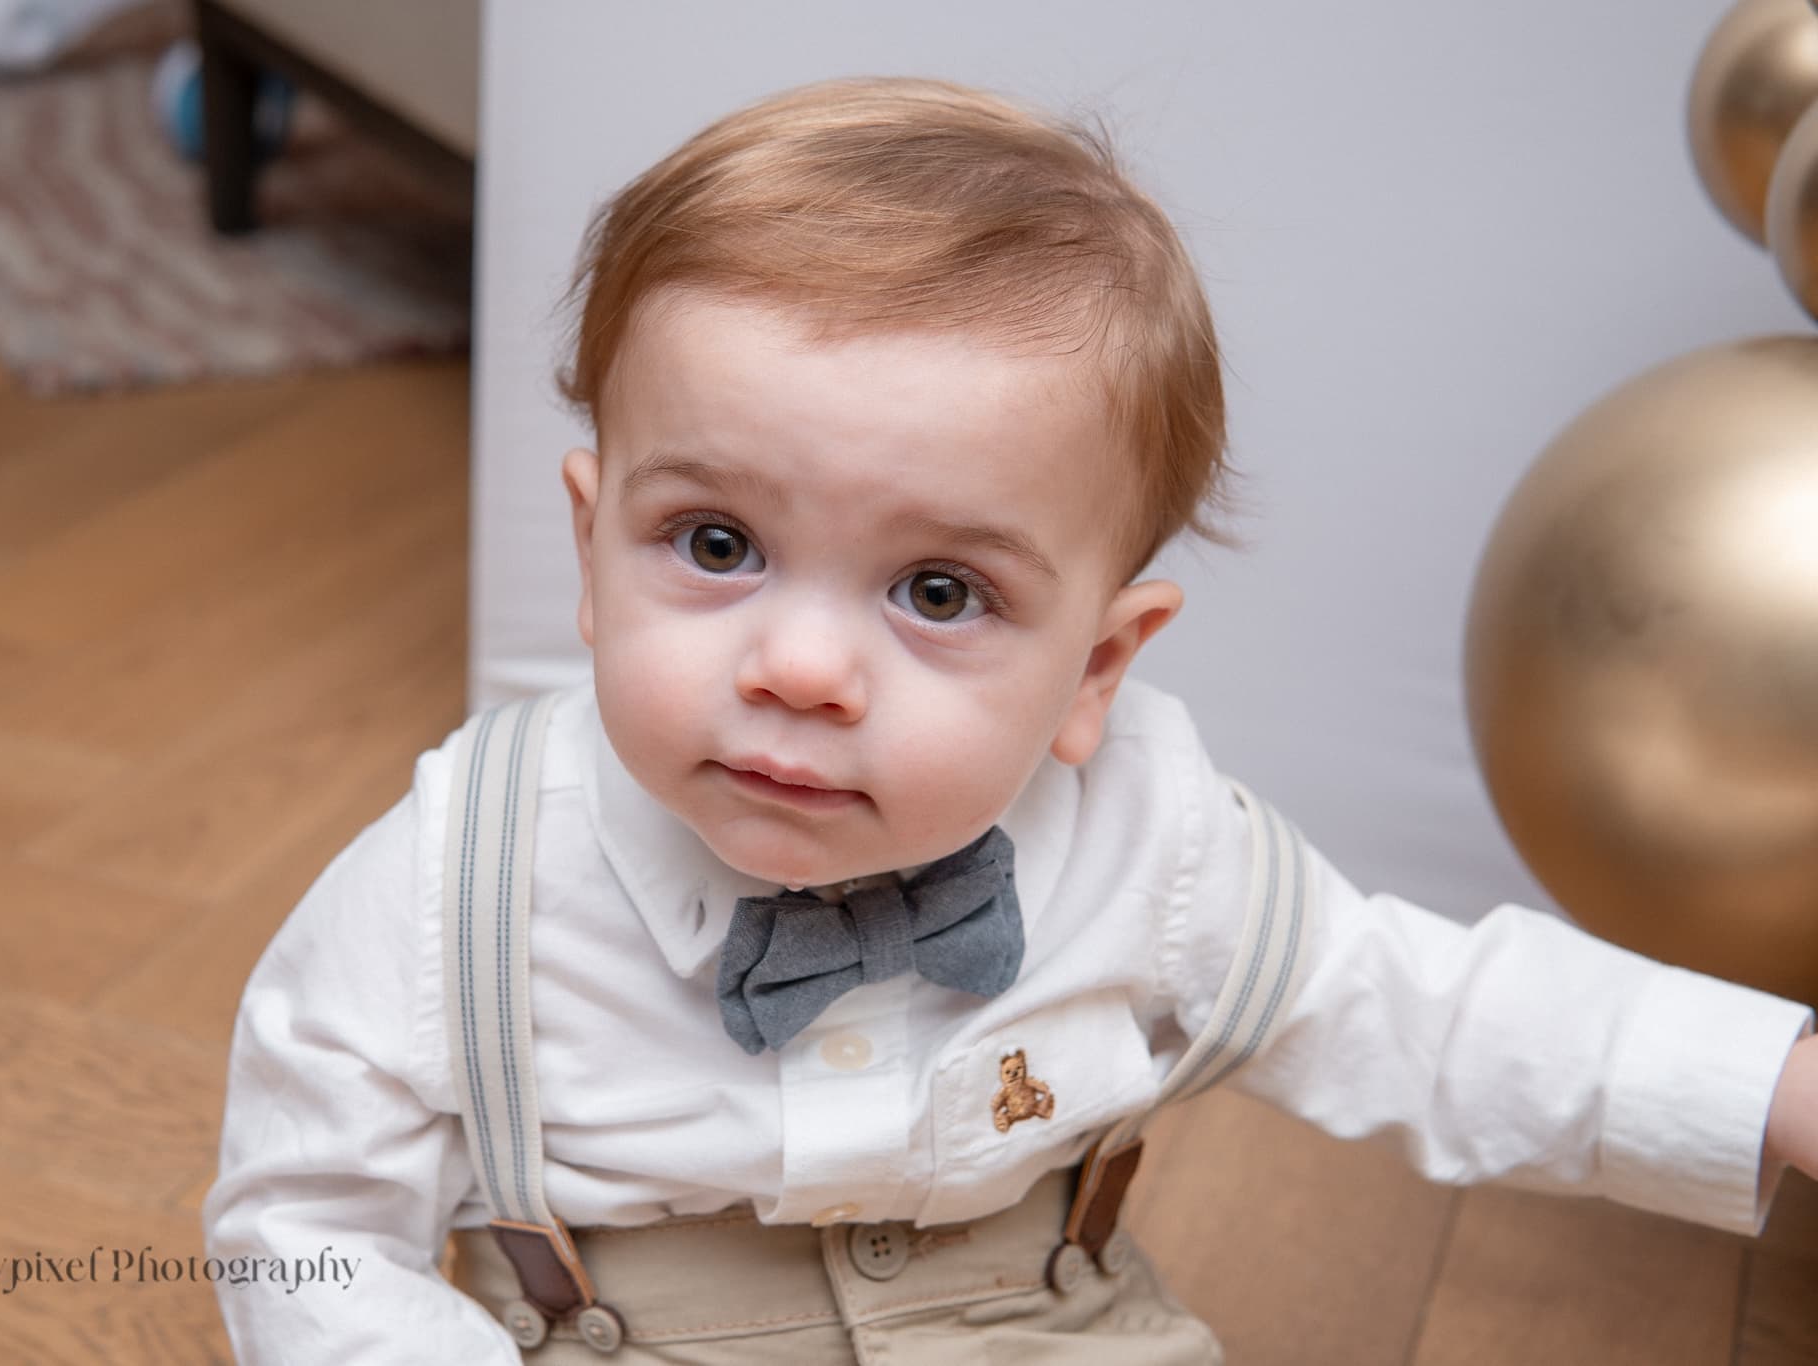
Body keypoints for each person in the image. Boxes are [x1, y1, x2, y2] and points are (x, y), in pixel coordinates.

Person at [203, 76, 1818, 1363]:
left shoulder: (1158, 843)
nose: (802, 666)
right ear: (590, 548)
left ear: (1098, 669)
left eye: (939, 591)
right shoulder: (453, 879)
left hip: (1047, 1322)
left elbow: (1434, 1011)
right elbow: (305, 1225)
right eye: (715, 546)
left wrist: (1773, 1082)